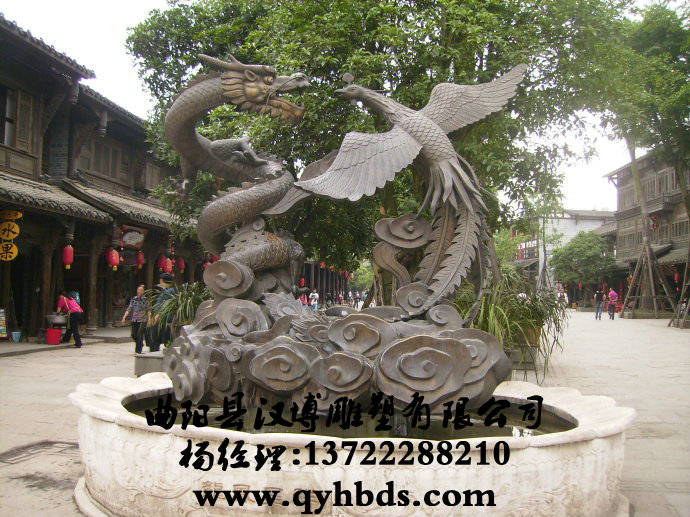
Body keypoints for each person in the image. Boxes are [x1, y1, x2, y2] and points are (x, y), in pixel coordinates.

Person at [151, 273, 175, 351]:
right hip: (163, 319)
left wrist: (156, 317)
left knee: (155, 339)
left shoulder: (168, 292)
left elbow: (164, 306)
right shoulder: (167, 291)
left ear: (161, 280)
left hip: (163, 320)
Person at [121, 285, 147, 354]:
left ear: (143, 291)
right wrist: (124, 317)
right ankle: (140, 344)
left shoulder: (145, 300)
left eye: (141, 290)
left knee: (140, 336)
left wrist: (149, 319)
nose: (139, 292)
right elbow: (129, 308)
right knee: (133, 334)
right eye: (138, 290)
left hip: (142, 320)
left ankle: (138, 351)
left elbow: (148, 310)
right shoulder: (133, 299)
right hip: (134, 319)